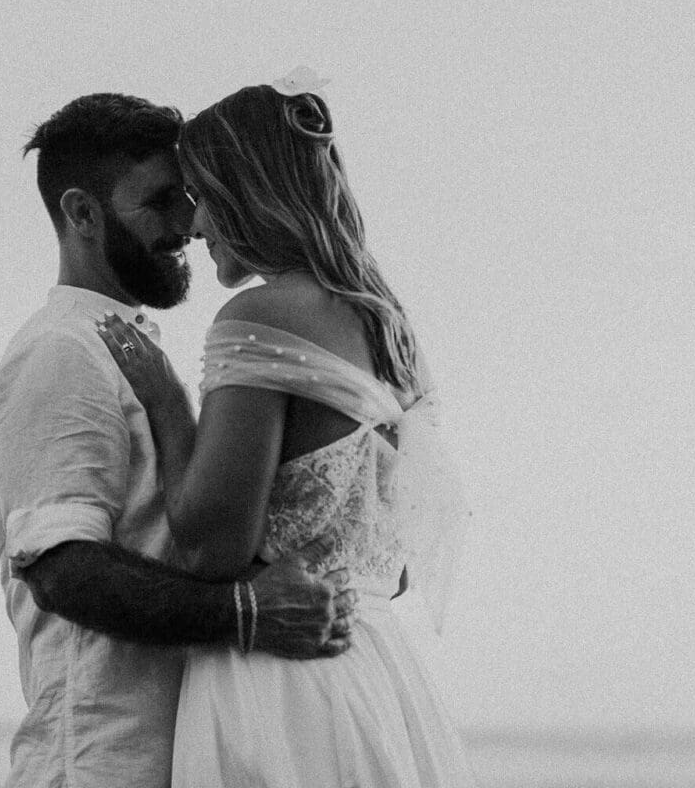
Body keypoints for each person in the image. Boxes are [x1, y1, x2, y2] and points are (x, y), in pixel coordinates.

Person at [95, 75, 476, 787]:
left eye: (202, 196)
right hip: (381, 679)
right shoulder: (391, 331)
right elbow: (389, 571)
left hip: (280, 689)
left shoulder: (260, 318)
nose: (195, 225)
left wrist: (168, 404)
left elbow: (212, 546)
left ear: (246, 193)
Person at [0, 91, 358, 788]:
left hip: (185, 753)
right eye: (159, 203)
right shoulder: (59, 351)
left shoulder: (125, 347)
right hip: (104, 760)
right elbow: (61, 569)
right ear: (81, 214)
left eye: (189, 198)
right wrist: (246, 613)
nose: (188, 223)